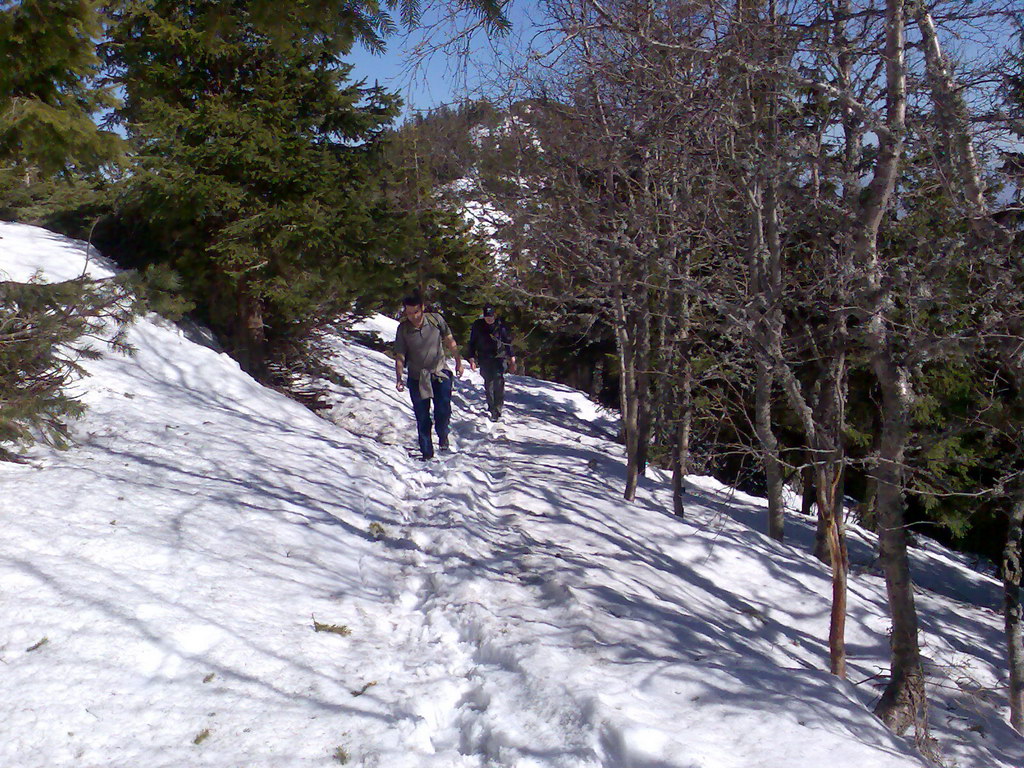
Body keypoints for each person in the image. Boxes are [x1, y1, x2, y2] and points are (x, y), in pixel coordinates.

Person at [394, 293, 464, 460]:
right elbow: (400, 355)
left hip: (440, 373)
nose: (412, 316)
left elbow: (449, 340)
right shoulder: (403, 329)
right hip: (417, 377)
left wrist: (458, 361)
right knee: (422, 416)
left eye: (415, 312)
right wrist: (399, 377)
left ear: (422, 309)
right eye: (408, 313)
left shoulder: (435, 320)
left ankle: (443, 433)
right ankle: (427, 453)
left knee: (443, 410)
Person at [467, 305, 515, 422]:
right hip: (484, 357)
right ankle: (492, 407)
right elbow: (472, 342)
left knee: (498, 382)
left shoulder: (500, 326)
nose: (489, 319)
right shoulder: (478, 326)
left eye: (491, 316)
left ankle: (498, 409)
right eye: (487, 316)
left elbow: (507, 342)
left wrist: (512, 358)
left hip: (499, 357)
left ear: (494, 315)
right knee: (489, 383)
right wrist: (472, 358)